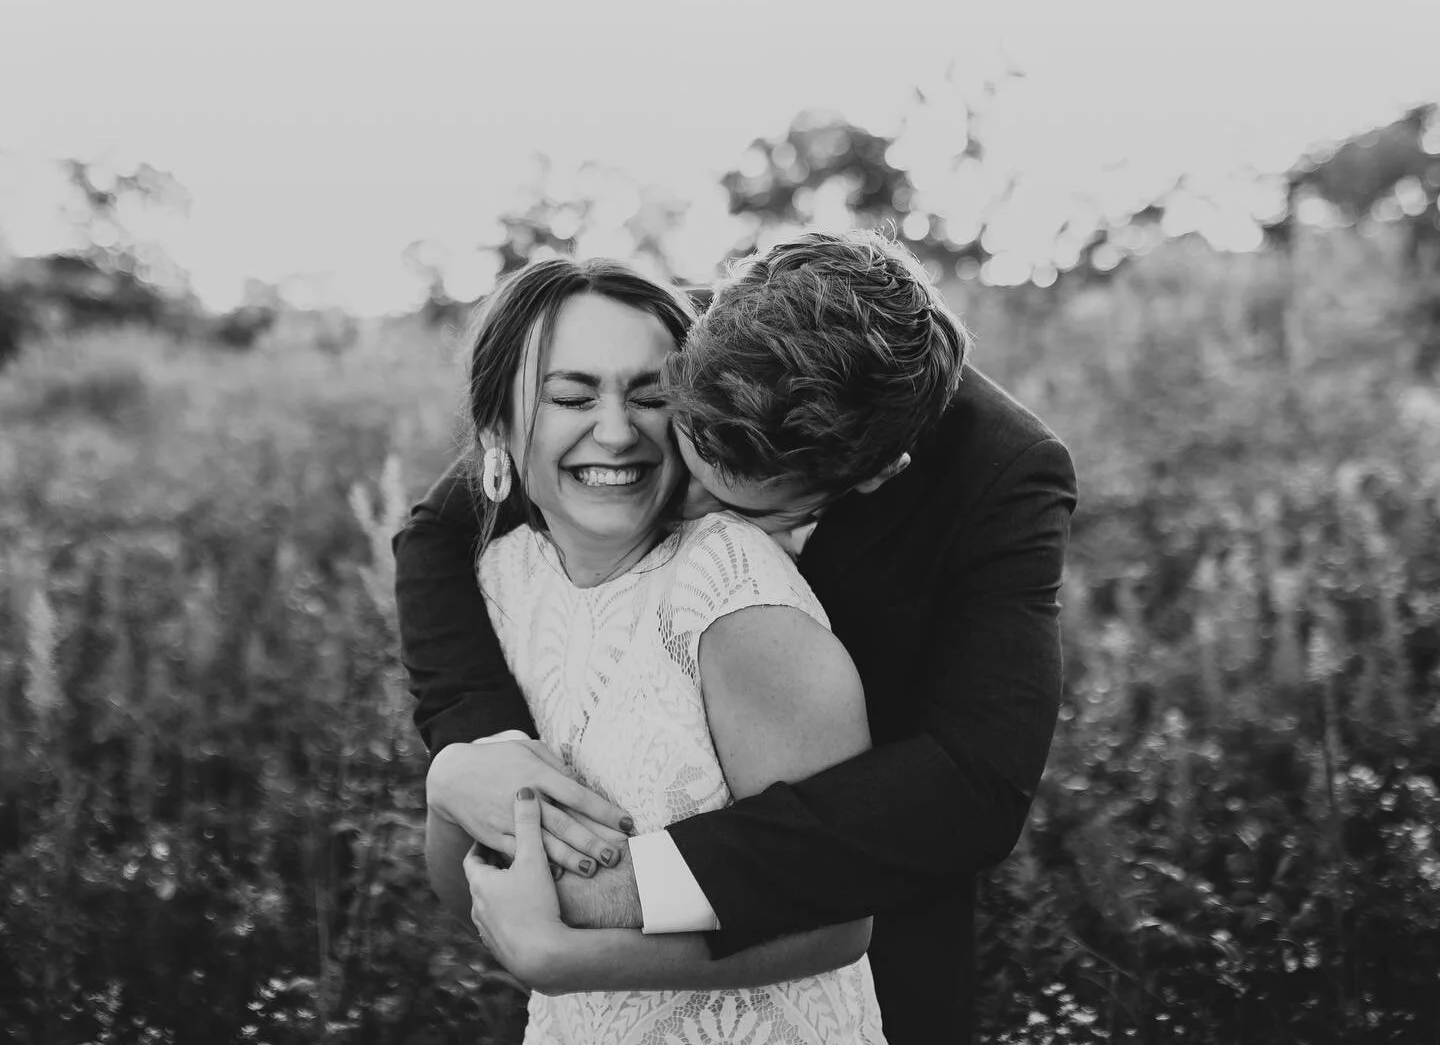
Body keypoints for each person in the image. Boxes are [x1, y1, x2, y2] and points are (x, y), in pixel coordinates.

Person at [399, 230, 1077, 1043]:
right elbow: (439, 529)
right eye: (691, 446)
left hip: (867, 905)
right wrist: (484, 753)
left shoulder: (999, 473)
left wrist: (610, 896)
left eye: (742, 505)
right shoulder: (649, 346)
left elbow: (973, 786)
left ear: (872, 476)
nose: (689, 507)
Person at [423, 255, 889, 1042]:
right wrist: (448, 783)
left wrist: (569, 960)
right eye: (572, 397)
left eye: (650, 397)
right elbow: (470, 895)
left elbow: (841, 918)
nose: (616, 432)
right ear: (496, 427)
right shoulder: (499, 581)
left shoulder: (733, 591)